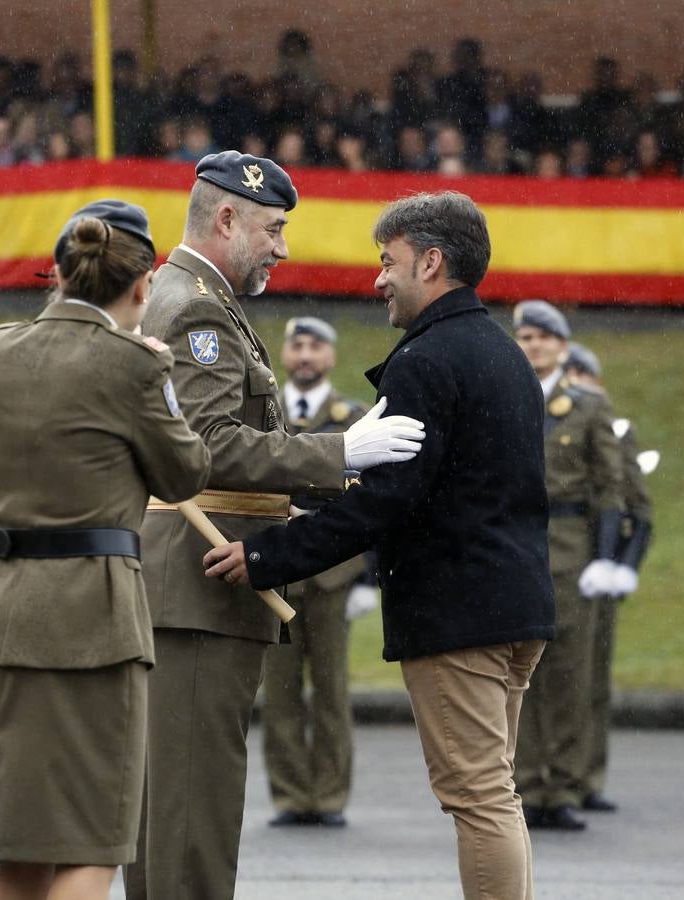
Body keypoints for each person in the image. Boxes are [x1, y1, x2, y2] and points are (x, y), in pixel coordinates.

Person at [204, 191, 555, 900]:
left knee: (476, 797)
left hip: (458, 615)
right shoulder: (505, 354)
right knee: (495, 793)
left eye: (387, 262)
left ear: (431, 261)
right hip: (513, 605)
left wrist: (271, 555)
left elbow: (390, 501)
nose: (378, 279)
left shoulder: (425, 362)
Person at [124, 151, 427, 900]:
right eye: (274, 229)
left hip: (192, 580)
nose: (283, 249)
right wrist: (340, 450)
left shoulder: (187, 293)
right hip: (198, 589)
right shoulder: (197, 307)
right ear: (227, 218)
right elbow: (208, 445)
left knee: (170, 808)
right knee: (192, 808)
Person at [0, 202, 212, 899]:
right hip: (93, 615)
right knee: (95, 837)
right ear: (143, 286)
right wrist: (161, 379)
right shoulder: (133, 366)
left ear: (57, 274)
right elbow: (185, 473)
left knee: (22, 844)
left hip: (2, 609)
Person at [510, 301, 625, 831]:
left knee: (570, 674)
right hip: (514, 547)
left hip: (572, 549)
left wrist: (605, 557)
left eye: (543, 337)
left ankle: (566, 784)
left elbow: (609, 487)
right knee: (519, 674)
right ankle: (527, 783)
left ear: (562, 344)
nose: (533, 345)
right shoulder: (502, 397)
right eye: (525, 336)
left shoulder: (589, 407)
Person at [262, 316, 371, 829]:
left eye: (315, 347)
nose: (306, 355)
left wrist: (369, 578)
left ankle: (329, 795)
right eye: (297, 346)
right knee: (279, 690)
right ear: (286, 356)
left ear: (330, 356)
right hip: (277, 568)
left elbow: (376, 499)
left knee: (331, 688)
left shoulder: (354, 416)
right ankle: (289, 795)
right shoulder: (263, 412)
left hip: (333, 572)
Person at [562, 341, 654, 813]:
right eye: (569, 372)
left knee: (590, 680)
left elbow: (635, 505)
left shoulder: (615, 429)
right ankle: (562, 775)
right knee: (560, 681)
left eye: (583, 373)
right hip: (563, 562)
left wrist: (622, 565)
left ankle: (587, 775)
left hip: (600, 568)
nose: (574, 381)